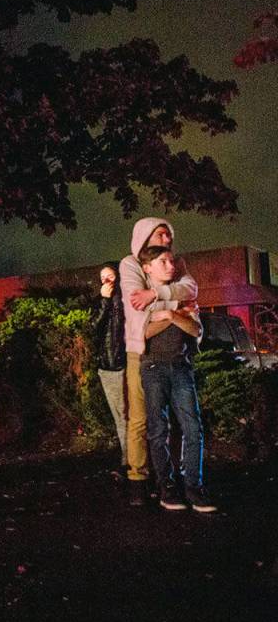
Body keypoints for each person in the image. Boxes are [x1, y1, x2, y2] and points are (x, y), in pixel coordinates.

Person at [119, 217, 197, 506]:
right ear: (144, 237)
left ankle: (170, 477)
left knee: (175, 419)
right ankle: (138, 479)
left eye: (169, 236)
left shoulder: (178, 264)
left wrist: (156, 295)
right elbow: (137, 311)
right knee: (141, 418)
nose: (167, 240)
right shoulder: (130, 264)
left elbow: (191, 289)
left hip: (174, 352)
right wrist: (176, 308)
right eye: (160, 234)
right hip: (140, 350)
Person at [139, 246, 216, 512]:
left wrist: (170, 314)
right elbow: (143, 333)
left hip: (181, 366)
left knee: (192, 427)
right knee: (158, 430)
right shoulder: (141, 294)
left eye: (172, 261)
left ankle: (194, 486)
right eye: (163, 261)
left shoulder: (182, 289)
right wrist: (177, 312)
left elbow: (195, 329)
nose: (171, 266)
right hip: (152, 367)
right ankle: (167, 487)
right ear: (148, 267)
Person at [92, 265, 127, 468]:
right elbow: (93, 327)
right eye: (102, 278)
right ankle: (129, 461)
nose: (106, 281)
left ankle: (135, 463)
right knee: (120, 416)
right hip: (109, 365)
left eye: (110, 276)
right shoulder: (100, 301)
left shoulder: (126, 298)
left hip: (127, 362)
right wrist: (103, 301)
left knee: (132, 416)